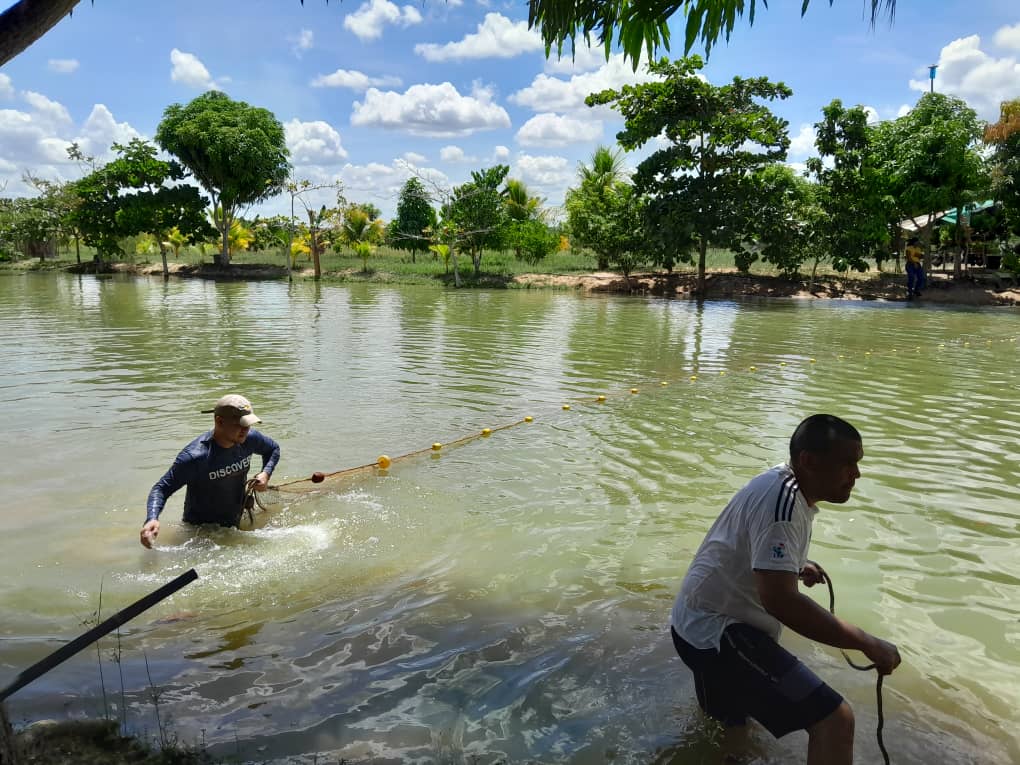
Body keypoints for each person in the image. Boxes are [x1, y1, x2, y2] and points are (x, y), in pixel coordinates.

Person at [669, 414, 900, 765]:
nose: (856, 474)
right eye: (847, 463)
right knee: (835, 721)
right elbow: (781, 602)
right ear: (808, 461)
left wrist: (792, 565)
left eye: (858, 463)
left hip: (691, 624)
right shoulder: (784, 505)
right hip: (717, 632)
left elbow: (750, 543)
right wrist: (868, 643)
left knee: (730, 738)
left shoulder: (781, 483)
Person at [140, 394, 281, 548]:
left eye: (248, 424)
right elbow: (161, 488)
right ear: (219, 421)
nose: (245, 430)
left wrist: (265, 473)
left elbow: (273, 449)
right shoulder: (194, 457)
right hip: (201, 534)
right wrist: (152, 518)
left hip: (235, 522)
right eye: (240, 425)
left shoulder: (250, 439)